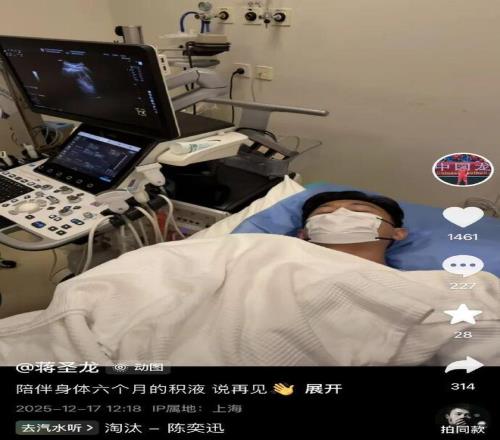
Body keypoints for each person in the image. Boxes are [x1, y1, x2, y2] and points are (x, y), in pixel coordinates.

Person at [298, 191, 408, 265]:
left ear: (398, 233)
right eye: (325, 212)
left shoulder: (416, 283)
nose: (340, 214)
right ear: (302, 235)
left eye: (360, 210)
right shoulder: (288, 261)